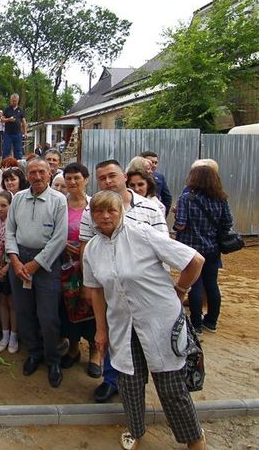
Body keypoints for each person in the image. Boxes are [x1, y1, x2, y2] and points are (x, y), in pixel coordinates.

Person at [83, 190, 206, 450]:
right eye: (98, 211)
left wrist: (181, 290)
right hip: (122, 327)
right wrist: (100, 330)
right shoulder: (92, 249)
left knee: (171, 386)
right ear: (92, 215)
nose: (105, 216)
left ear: (121, 212)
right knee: (129, 384)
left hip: (159, 323)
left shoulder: (143, 234)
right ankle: (136, 431)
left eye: (111, 210)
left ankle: (194, 437)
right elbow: (95, 291)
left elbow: (195, 260)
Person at [79, 159, 168, 404]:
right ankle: (111, 380)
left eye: (112, 176)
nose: (108, 181)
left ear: (124, 177)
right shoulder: (92, 209)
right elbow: (86, 244)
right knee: (111, 330)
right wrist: (89, 283)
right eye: (102, 178)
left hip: (144, 288)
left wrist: (173, 288)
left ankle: (153, 385)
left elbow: (164, 247)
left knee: (149, 339)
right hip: (109, 285)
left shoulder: (149, 208)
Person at [5, 157, 68, 387]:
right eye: (33, 172)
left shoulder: (59, 200)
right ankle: (34, 352)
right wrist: (15, 259)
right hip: (19, 260)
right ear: (27, 175)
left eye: (42, 172)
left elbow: (59, 239)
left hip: (47, 264)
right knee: (23, 311)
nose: (37, 176)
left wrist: (35, 264)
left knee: (48, 316)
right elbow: (9, 231)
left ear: (49, 173)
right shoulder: (19, 198)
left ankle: (53, 360)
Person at [175, 165, 234, 334]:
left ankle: (196, 324)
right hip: (212, 248)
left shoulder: (186, 198)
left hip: (191, 249)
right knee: (212, 284)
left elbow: (180, 224)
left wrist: (177, 214)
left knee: (195, 285)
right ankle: (212, 321)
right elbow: (228, 222)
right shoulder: (221, 199)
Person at [60, 162, 101, 377]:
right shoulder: (60, 204)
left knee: (91, 308)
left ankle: (95, 352)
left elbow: (104, 232)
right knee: (69, 307)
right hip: (65, 265)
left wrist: (85, 251)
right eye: (68, 178)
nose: (72, 182)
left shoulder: (94, 205)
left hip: (91, 265)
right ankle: (74, 348)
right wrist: (62, 243)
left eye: (77, 177)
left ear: (86, 179)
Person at [0, 190, 18, 353]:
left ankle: (14, 336)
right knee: (1, 301)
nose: (0, 209)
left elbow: (17, 245)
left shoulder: (14, 222)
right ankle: (5, 334)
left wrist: (7, 267)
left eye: (4, 206)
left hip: (10, 266)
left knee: (12, 303)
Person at [141, 150, 172, 217]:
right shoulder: (132, 177)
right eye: (151, 162)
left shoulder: (160, 177)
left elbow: (167, 197)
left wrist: (162, 215)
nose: (154, 165)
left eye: (156, 163)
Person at [2, 94, 27, 160]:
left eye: (15, 101)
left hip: (17, 133)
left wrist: (25, 132)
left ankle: (18, 167)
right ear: (10, 100)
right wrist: (9, 119)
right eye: (12, 101)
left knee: (18, 152)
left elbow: (24, 122)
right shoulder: (7, 109)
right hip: (8, 133)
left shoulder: (21, 110)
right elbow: (2, 120)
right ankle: (4, 165)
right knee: (6, 151)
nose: (14, 102)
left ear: (18, 101)